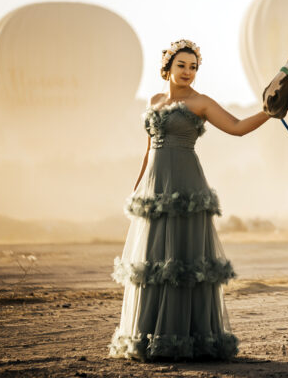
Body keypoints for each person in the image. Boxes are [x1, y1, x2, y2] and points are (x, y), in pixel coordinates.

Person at [108, 39, 270, 361]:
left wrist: (269, 112)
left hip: (187, 188)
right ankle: (150, 336)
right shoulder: (153, 100)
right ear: (167, 67)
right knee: (154, 264)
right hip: (155, 190)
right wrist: (138, 187)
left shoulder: (201, 103)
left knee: (185, 262)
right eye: (181, 65)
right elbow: (149, 148)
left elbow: (237, 128)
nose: (188, 72)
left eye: (193, 67)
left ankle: (191, 340)